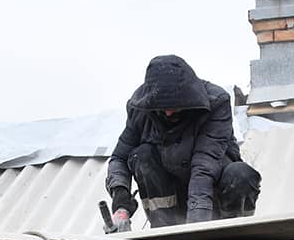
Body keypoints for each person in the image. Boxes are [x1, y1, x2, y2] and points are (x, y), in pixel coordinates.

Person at [105, 54, 262, 230]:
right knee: (142, 156)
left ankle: (232, 232)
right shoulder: (140, 109)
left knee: (240, 174)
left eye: (174, 107)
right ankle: (165, 231)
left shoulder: (216, 103)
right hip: (173, 203)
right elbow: (119, 158)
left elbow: (204, 167)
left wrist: (196, 228)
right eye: (163, 109)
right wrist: (121, 204)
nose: (169, 114)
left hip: (213, 198)